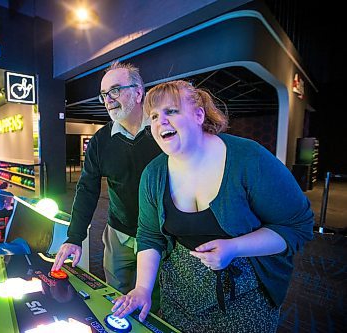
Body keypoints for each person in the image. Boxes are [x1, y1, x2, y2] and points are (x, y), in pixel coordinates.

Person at [111, 80, 314, 332]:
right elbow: (150, 236)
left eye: (171, 111)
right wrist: (142, 288)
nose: (160, 121)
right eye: (153, 116)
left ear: (198, 115)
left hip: (246, 295)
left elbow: (297, 226)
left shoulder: (249, 158)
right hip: (179, 294)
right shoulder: (154, 174)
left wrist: (234, 247)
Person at [51, 62, 162, 297]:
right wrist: (75, 237)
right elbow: (87, 189)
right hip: (118, 234)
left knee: (155, 300)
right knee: (115, 294)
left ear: (139, 92)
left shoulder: (163, 132)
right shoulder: (101, 140)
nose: (108, 99)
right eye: (104, 94)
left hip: (161, 238)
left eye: (115, 90)